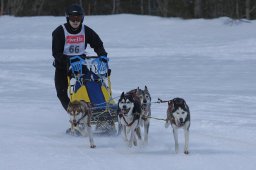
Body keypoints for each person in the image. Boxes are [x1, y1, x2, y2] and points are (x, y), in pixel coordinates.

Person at [52, 4, 108, 111]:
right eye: (73, 18)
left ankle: (98, 108)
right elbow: (56, 53)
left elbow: (98, 44)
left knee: (89, 84)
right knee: (61, 93)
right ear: (68, 18)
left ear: (82, 18)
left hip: (80, 65)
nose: (75, 21)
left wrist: (103, 56)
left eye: (78, 18)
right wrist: (68, 60)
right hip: (62, 66)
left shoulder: (86, 30)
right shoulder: (60, 31)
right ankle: (74, 112)